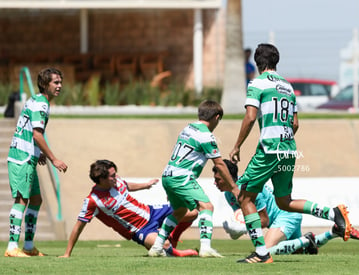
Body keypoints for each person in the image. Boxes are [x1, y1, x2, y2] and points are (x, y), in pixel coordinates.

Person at [229, 43, 354, 264]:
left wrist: (237, 145)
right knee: (284, 201)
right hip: (288, 149)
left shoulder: (257, 84)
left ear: (258, 63)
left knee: (244, 196)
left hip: (269, 148)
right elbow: (295, 124)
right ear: (276, 61)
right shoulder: (287, 86)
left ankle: (260, 253)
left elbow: (250, 117)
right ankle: (332, 213)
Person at [148, 100, 239, 258]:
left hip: (168, 174)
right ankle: (205, 248)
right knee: (207, 207)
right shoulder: (206, 136)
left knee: (180, 211)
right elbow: (219, 164)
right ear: (217, 117)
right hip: (182, 177)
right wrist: (234, 187)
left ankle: (156, 247)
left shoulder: (188, 128)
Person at [213, 160, 359, 256]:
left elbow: (263, 221)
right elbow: (244, 217)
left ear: (227, 177)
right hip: (281, 219)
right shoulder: (229, 194)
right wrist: (237, 230)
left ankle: (307, 239)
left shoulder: (248, 189)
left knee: (264, 251)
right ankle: (332, 232)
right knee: (300, 252)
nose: (215, 183)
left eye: (218, 179)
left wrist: (242, 229)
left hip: (285, 216)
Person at [60, 160, 198, 258]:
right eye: (112, 175)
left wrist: (145, 185)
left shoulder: (116, 181)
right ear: (101, 179)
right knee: (164, 245)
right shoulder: (93, 201)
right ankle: (178, 253)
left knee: (192, 212)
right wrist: (67, 254)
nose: (116, 177)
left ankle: (174, 237)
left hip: (152, 212)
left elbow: (127, 185)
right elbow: (78, 227)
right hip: (141, 230)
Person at [5, 68, 68, 257]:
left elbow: (28, 129)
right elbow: (37, 134)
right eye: (55, 82)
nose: (59, 86)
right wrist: (53, 159)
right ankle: (11, 247)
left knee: (36, 199)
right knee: (22, 200)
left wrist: (38, 152)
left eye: (60, 82)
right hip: (22, 157)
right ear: (45, 84)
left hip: (27, 155)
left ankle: (29, 246)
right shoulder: (41, 105)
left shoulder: (35, 100)